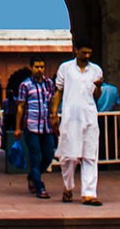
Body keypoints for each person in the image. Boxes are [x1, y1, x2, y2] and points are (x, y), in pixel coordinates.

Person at [50, 39, 104, 206]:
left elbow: (96, 96)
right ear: (76, 51)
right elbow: (58, 91)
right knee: (68, 157)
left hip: (89, 116)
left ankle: (89, 193)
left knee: (90, 156)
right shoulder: (65, 68)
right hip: (70, 117)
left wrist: (98, 87)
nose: (86, 56)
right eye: (83, 53)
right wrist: (53, 114)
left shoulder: (96, 70)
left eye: (89, 53)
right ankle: (68, 186)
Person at [14, 56, 55, 199]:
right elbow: (20, 106)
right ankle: (39, 186)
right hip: (31, 126)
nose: (40, 70)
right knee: (35, 156)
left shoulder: (49, 83)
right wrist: (17, 127)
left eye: (42, 67)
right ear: (31, 68)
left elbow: (52, 103)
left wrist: (55, 119)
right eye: (37, 67)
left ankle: (32, 175)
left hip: (46, 126)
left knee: (49, 155)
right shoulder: (25, 85)